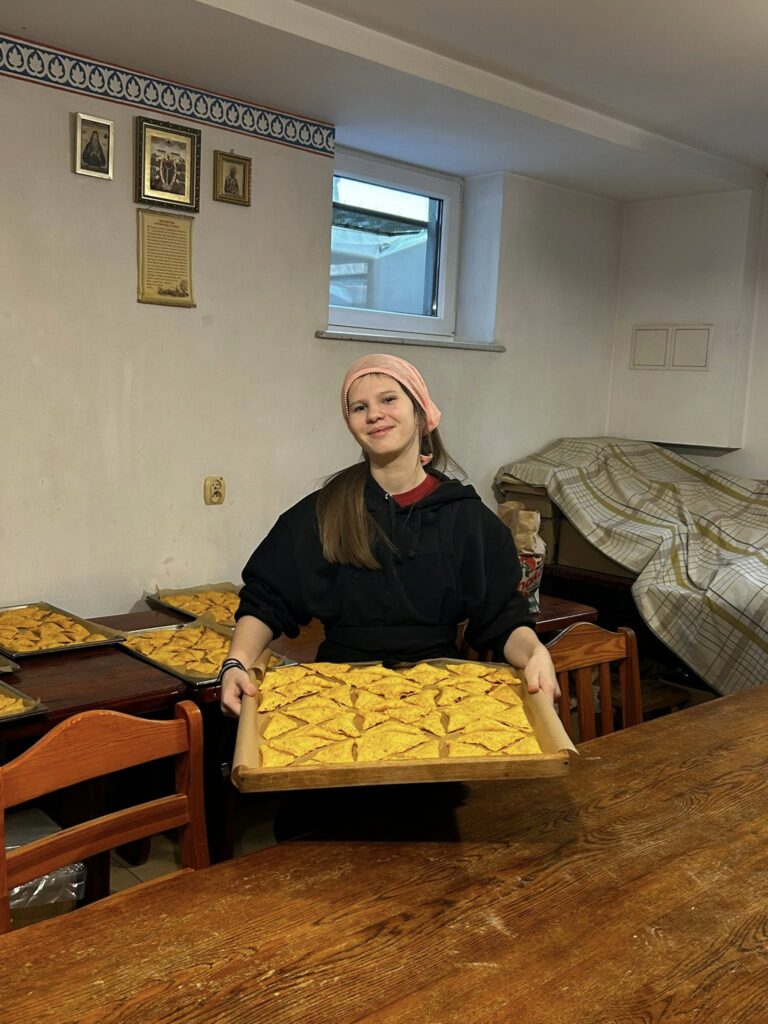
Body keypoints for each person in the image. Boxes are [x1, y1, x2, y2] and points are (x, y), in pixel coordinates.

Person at [221, 353, 559, 716]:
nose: (374, 414)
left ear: (421, 412)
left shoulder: (467, 519)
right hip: (338, 701)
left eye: (388, 399)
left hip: (441, 700)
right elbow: (267, 600)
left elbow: (503, 618)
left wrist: (535, 654)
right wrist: (236, 662)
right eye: (359, 407)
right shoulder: (323, 512)